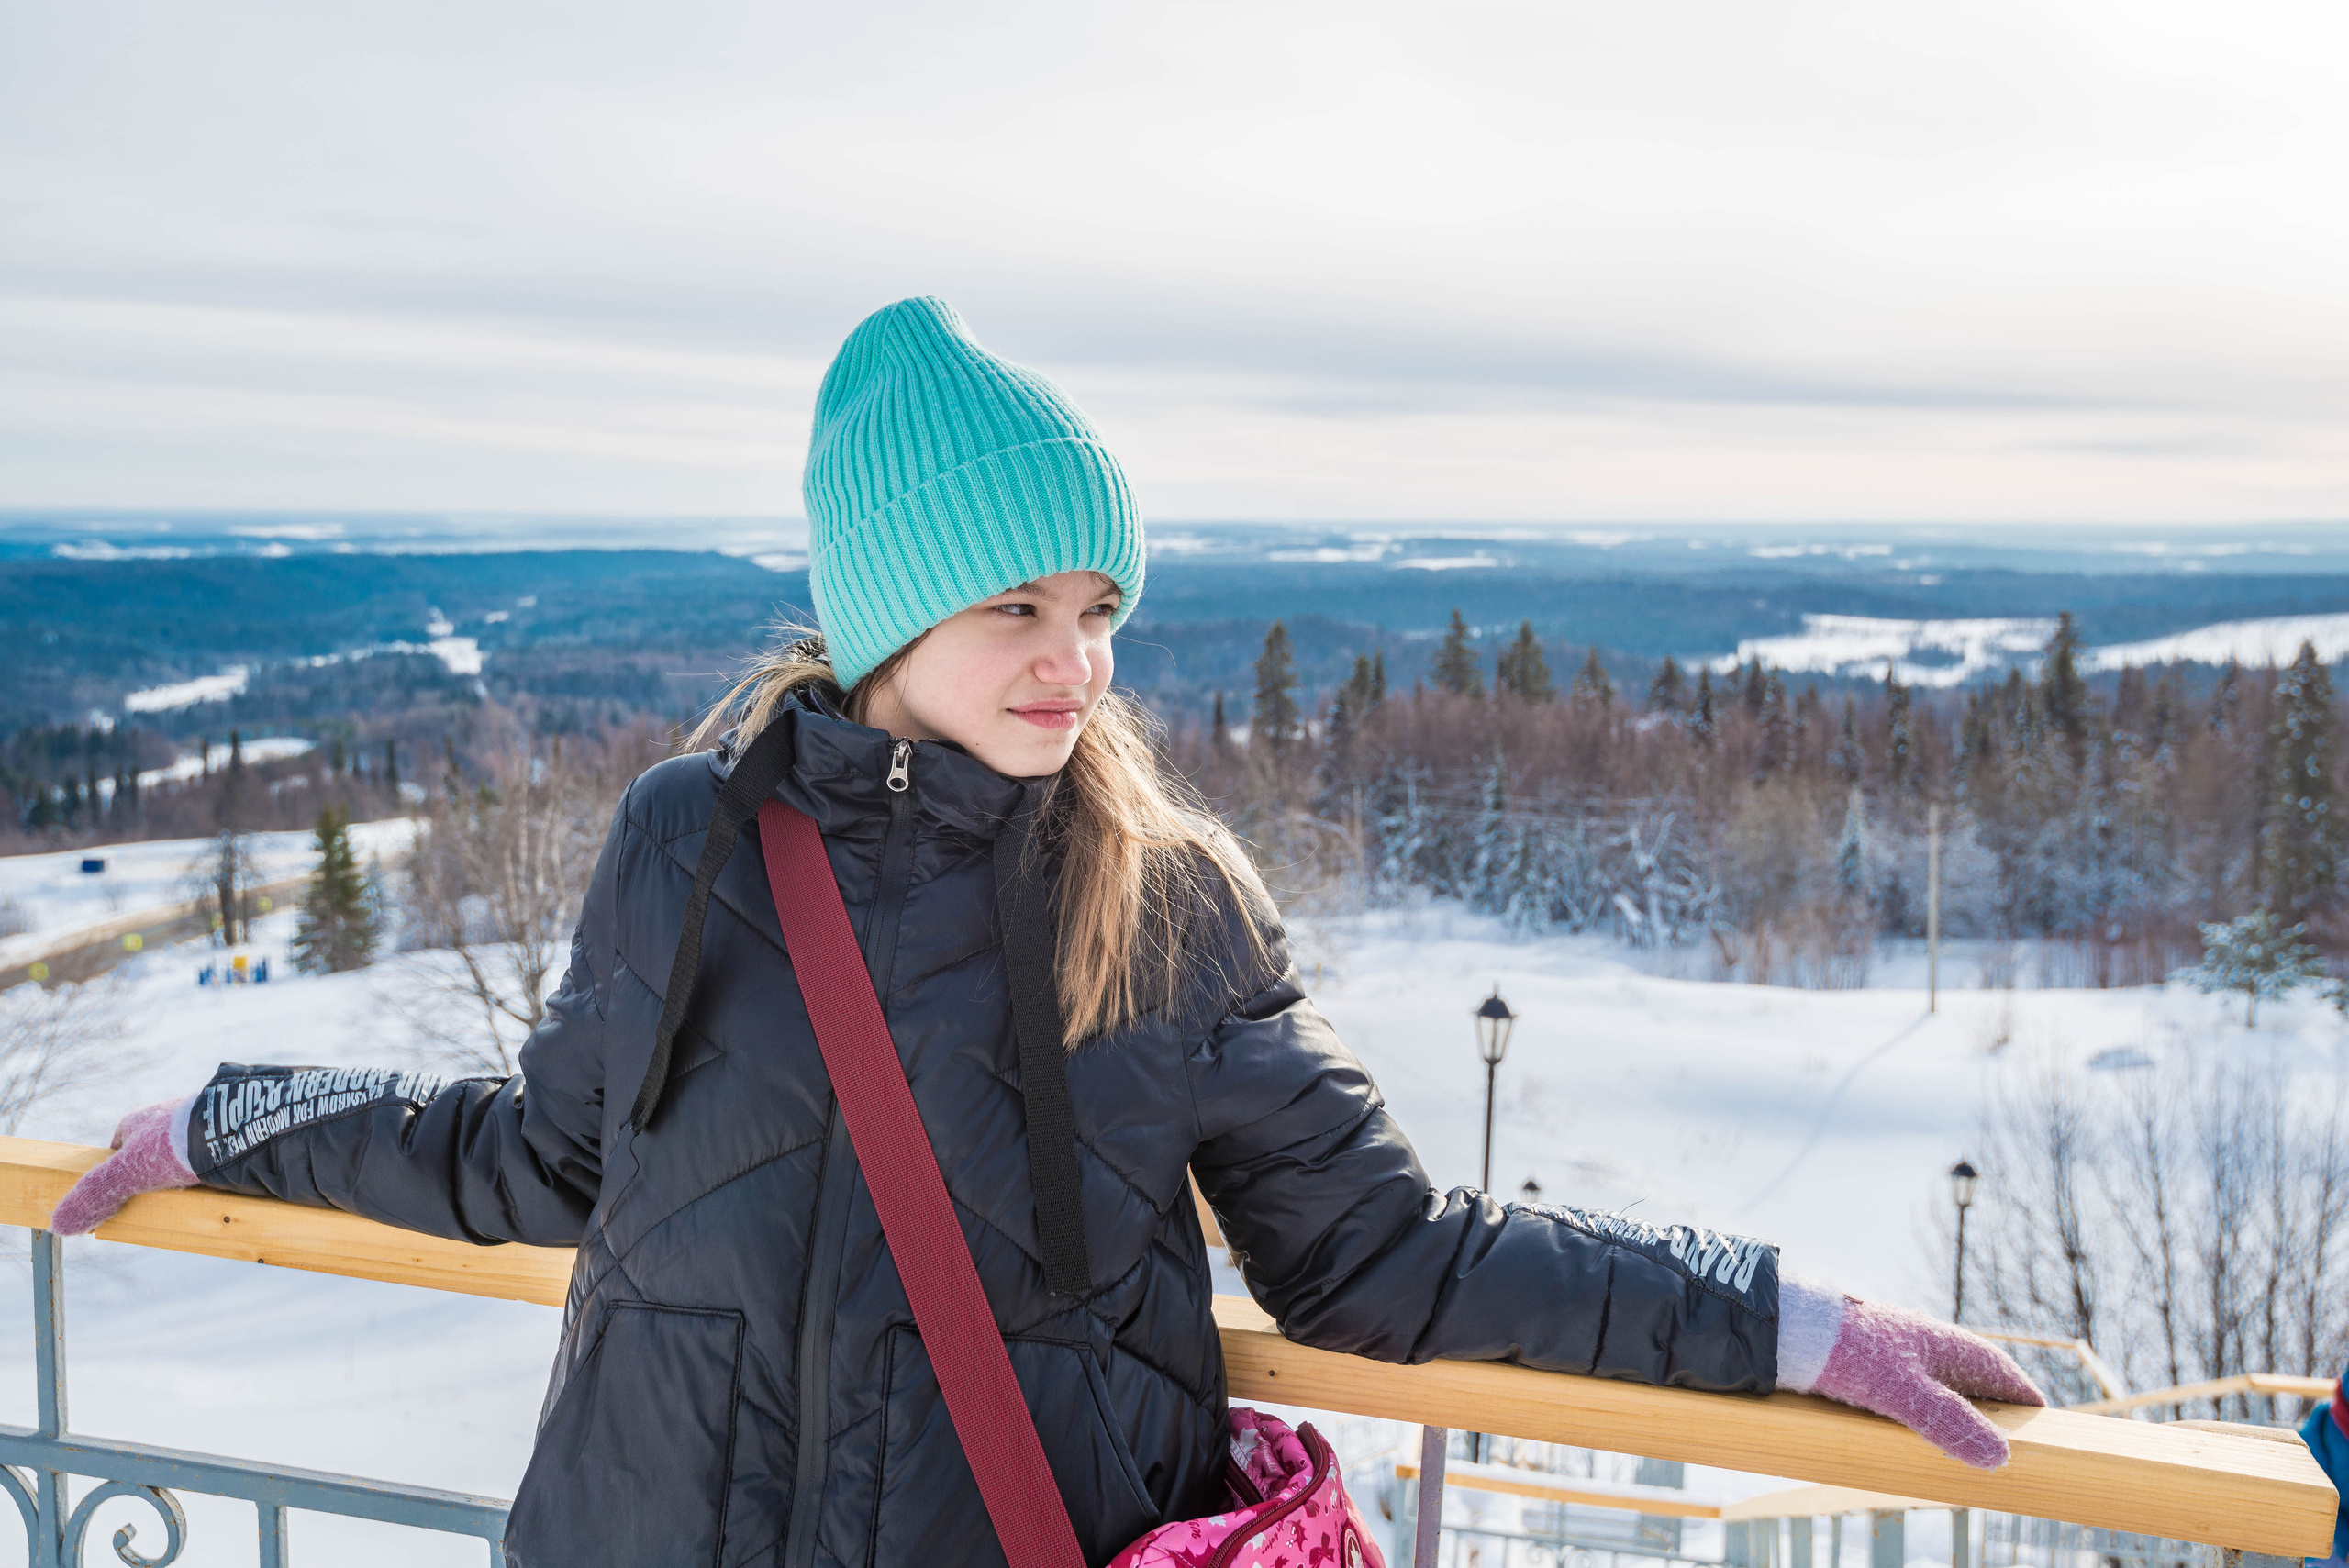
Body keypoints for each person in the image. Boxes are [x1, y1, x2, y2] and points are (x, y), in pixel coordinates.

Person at [53, 297, 2041, 1568]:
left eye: (1097, 611)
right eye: (1019, 607)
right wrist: (236, 1119)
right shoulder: (692, 834)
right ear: (887, 611)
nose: (1073, 662)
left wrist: (1787, 1318)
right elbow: (547, 1156)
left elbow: (1376, 1259)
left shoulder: (1157, 897)